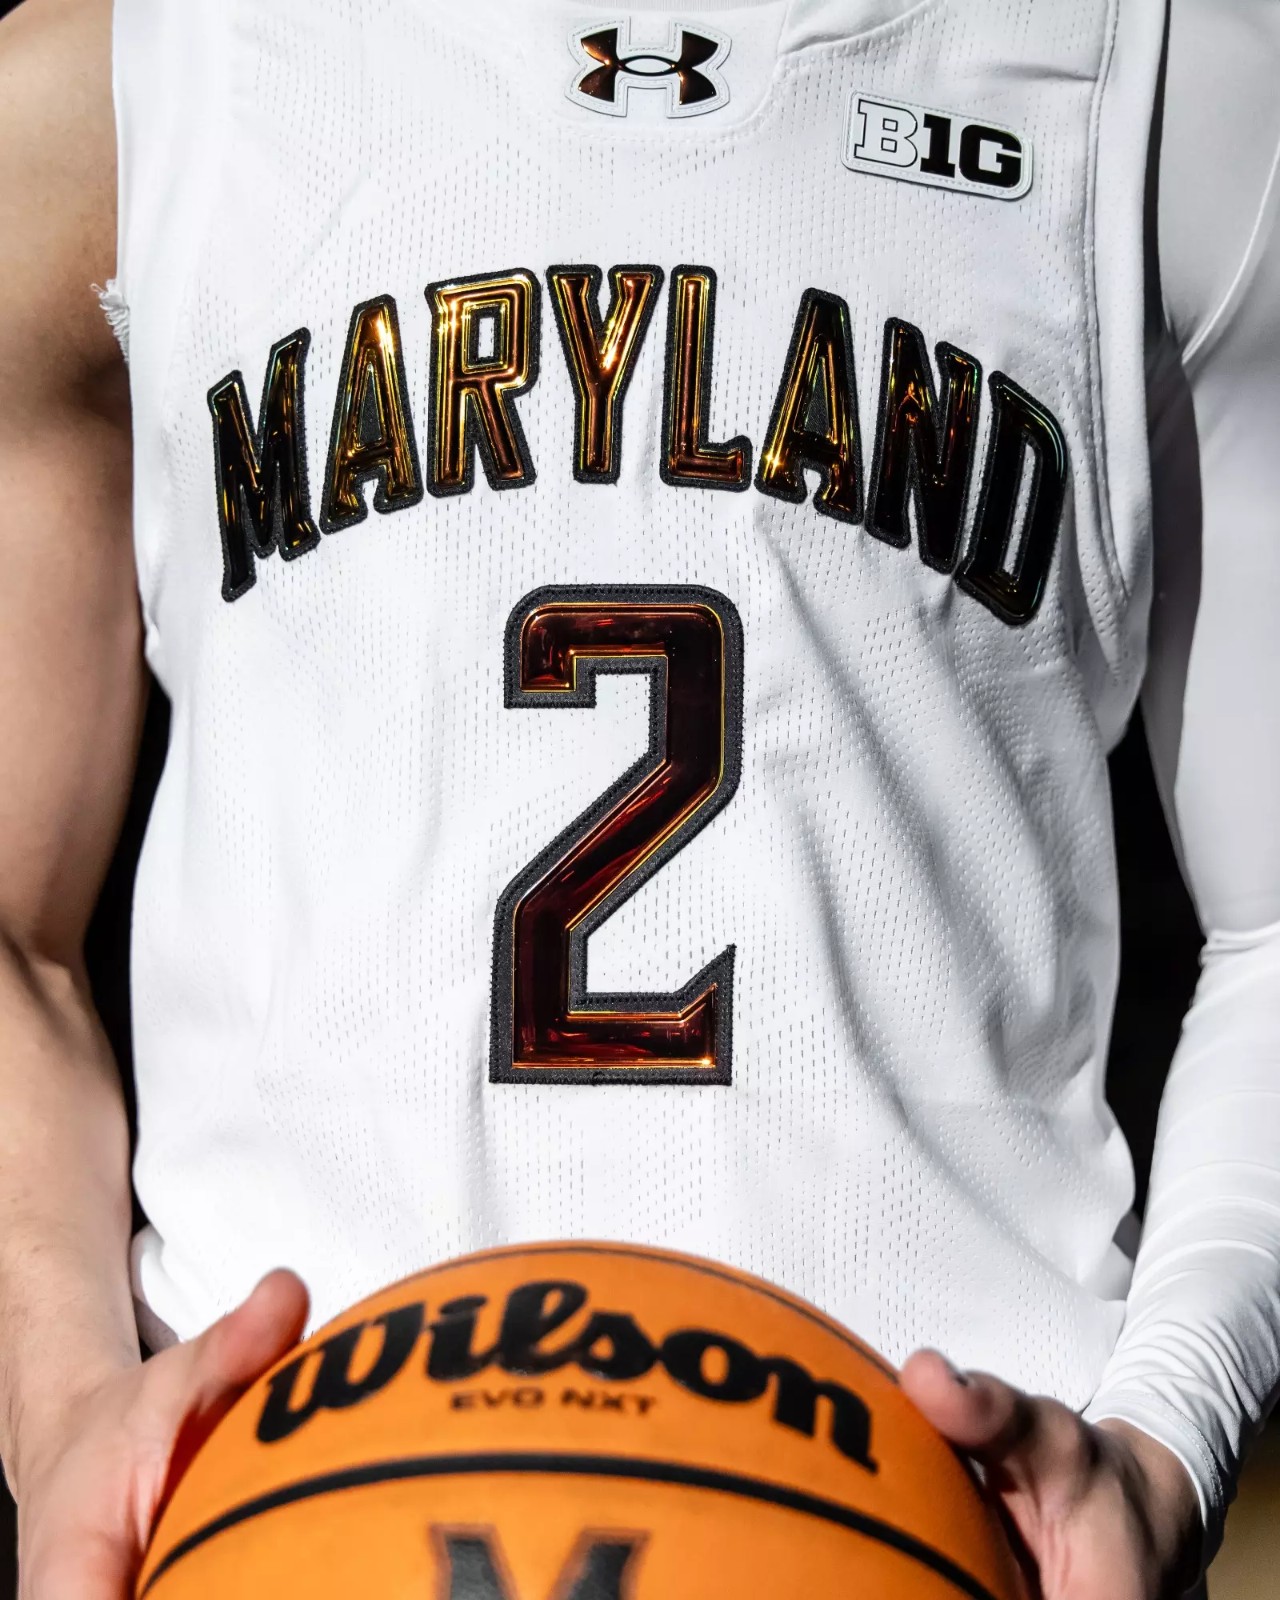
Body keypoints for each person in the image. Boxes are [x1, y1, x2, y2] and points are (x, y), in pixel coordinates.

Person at [0, 0, 1277, 1595]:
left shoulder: (1168, 77)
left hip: (942, 1523)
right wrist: (64, 1413)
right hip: (294, 1511)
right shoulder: (116, 87)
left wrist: (1167, 1437)